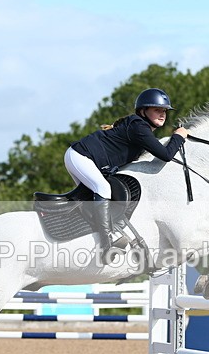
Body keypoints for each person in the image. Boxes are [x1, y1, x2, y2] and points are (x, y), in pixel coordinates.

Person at [64, 88, 189, 263]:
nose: (163, 114)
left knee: (92, 198)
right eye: (157, 110)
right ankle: (106, 246)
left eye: (165, 111)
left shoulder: (140, 128)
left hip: (83, 158)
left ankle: (84, 237)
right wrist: (179, 137)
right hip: (80, 156)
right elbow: (166, 155)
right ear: (143, 111)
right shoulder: (139, 127)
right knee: (103, 189)